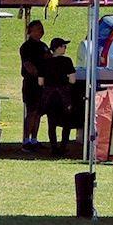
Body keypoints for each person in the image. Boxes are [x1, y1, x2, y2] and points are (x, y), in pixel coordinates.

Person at [39, 37, 77, 156]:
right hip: (63, 97)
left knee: (51, 123)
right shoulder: (67, 61)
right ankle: (63, 146)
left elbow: (40, 82)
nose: (65, 48)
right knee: (66, 123)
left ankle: (54, 147)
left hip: (50, 97)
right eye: (64, 46)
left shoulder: (45, 62)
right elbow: (72, 80)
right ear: (58, 48)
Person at [19, 19, 49, 151]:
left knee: (38, 113)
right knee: (31, 112)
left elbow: (49, 59)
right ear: (30, 31)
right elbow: (28, 65)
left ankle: (34, 140)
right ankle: (26, 140)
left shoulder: (43, 46)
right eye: (37, 29)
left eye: (41, 29)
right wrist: (39, 75)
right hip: (31, 84)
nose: (40, 32)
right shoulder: (26, 47)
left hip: (43, 85)